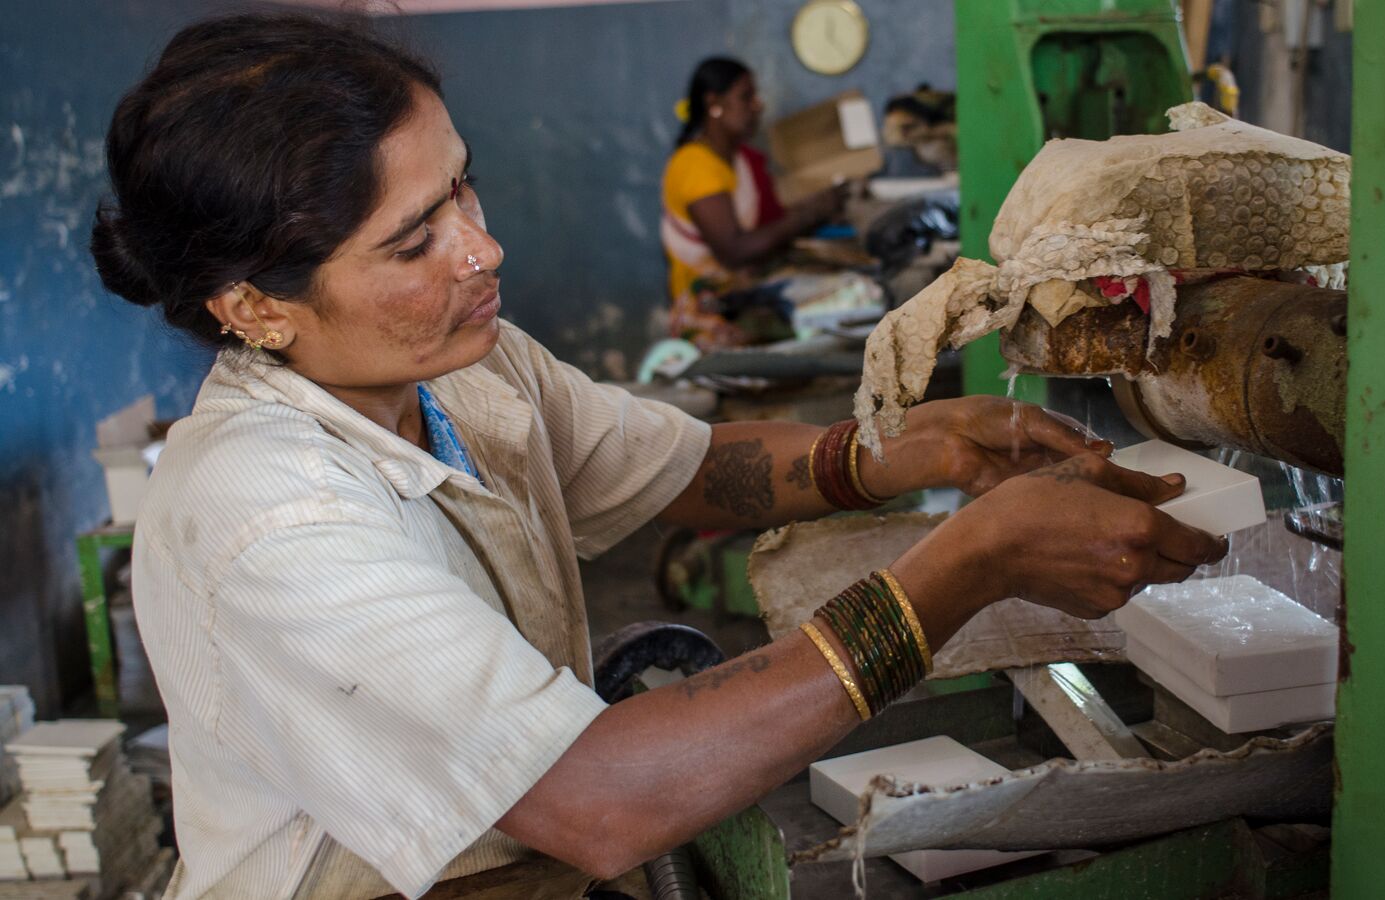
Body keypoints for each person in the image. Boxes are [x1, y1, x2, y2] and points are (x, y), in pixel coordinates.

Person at [92, 14, 1227, 900]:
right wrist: (962, 568)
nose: (484, 247)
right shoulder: (269, 516)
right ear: (250, 303)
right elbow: (602, 800)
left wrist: (903, 446)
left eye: (462, 187)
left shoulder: (466, 369)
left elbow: (682, 468)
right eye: (414, 240)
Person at [659, 57, 848, 348]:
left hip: (746, 292)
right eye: (746, 97)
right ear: (715, 104)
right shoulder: (694, 166)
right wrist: (811, 213)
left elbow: (771, 225)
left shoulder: (741, 160)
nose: (757, 105)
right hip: (710, 312)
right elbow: (733, 251)